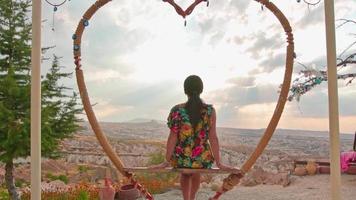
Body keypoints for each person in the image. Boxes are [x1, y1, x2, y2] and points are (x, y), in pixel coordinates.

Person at [153, 75, 239, 200]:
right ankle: (192, 198)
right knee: (196, 172)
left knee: (186, 174)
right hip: (201, 158)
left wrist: (166, 161)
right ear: (201, 90)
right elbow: (213, 137)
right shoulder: (209, 111)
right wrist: (219, 162)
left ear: (185, 90)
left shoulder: (177, 110)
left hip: (181, 158)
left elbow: (173, 137)